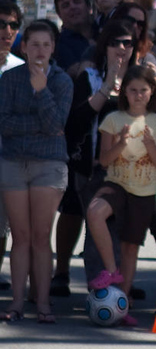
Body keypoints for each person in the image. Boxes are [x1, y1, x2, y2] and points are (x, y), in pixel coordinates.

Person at [53, 20, 137, 296]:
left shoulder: (140, 80)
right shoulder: (89, 77)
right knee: (97, 229)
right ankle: (100, 293)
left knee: (124, 233)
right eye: (115, 43)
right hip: (93, 167)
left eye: (127, 43)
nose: (121, 48)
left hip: (132, 172)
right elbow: (76, 122)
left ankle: (121, 290)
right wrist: (107, 88)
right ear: (104, 47)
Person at [0, 21, 74, 323]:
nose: (40, 51)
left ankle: (43, 303)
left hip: (49, 165)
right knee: (20, 236)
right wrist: (38, 125)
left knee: (41, 236)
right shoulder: (8, 79)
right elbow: (4, 123)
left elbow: (57, 125)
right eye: (34, 45)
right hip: (13, 163)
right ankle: (16, 303)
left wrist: (41, 92)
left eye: (46, 45)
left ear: (53, 48)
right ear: (24, 47)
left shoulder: (62, 81)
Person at [86, 65, 156, 325]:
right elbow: (103, 160)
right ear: (124, 92)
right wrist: (121, 143)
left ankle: (121, 306)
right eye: (132, 90)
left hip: (144, 192)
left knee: (131, 246)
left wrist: (149, 144)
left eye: (143, 90)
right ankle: (111, 271)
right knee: (95, 212)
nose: (138, 95)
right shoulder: (113, 119)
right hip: (117, 184)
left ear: (151, 92)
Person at [0, 1, 24, 291]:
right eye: (1, 24)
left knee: (3, 224)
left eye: (13, 25)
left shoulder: (21, 68)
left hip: (12, 158)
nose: (7, 31)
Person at [114, 2, 156, 76]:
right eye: (130, 20)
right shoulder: (94, 53)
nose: (135, 26)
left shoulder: (147, 59)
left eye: (140, 24)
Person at [54, 0, 95, 77]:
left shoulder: (105, 30)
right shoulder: (58, 45)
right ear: (59, 14)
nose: (72, 7)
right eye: (66, 5)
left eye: (77, 2)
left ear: (89, 6)